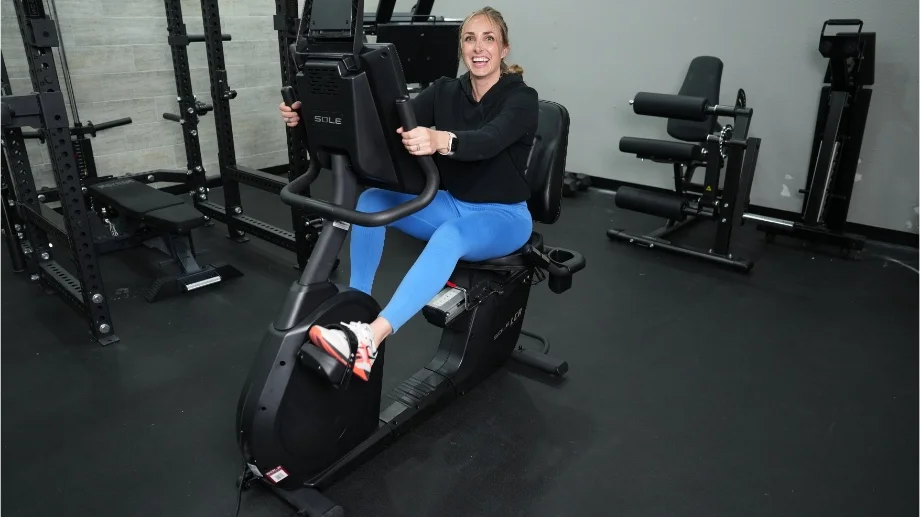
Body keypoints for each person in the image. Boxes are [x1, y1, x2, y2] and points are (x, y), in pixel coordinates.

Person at [278, 6, 538, 381]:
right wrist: (310, 115)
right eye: (470, 39)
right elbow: (384, 123)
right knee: (371, 201)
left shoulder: (521, 98)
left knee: (450, 236)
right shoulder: (446, 91)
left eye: (489, 39)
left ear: (504, 48)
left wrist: (440, 139)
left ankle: (370, 341)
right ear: (462, 48)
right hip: (453, 204)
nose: (479, 48)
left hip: (504, 215)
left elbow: (490, 139)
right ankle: (357, 313)